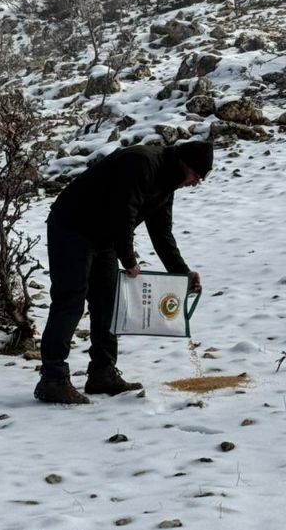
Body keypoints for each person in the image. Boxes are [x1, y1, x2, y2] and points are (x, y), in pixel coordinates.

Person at [34, 139, 212, 404]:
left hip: (103, 237)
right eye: (196, 177)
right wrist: (129, 260)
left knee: (108, 302)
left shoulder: (167, 182)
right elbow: (123, 213)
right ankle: (53, 379)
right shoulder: (141, 162)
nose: (194, 183)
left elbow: (161, 233)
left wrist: (181, 274)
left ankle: (102, 373)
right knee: (70, 300)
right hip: (72, 226)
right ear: (185, 164)